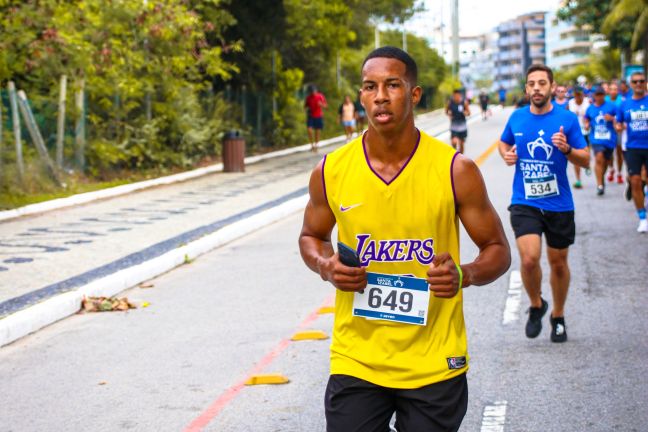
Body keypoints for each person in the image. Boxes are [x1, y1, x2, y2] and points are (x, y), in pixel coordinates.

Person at [299, 46, 511, 432]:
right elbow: (311, 237)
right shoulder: (331, 170)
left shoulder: (455, 170)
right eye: (370, 86)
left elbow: (497, 251)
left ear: (414, 95)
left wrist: (464, 274)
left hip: (434, 359)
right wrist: (325, 265)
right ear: (361, 96)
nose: (380, 95)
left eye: (392, 85)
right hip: (357, 358)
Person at [498, 64, 590, 343]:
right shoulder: (516, 118)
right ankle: (537, 305)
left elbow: (585, 159)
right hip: (524, 201)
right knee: (528, 259)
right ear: (526, 89)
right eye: (531, 84)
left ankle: (558, 315)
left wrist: (566, 149)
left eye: (541, 83)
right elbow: (503, 143)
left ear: (551, 87)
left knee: (559, 264)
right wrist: (507, 155)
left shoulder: (567, 120)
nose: (536, 88)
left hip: (559, 203)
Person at [616, 71, 648, 233]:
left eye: (641, 81)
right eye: (635, 82)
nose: (638, 84)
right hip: (633, 147)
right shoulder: (625, 104)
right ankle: (642, 218)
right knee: (635, 181)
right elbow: (618, 123)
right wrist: (618, 127)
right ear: (631, 85)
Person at [584, 86, 618, 195]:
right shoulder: (590, 108)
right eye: (597, 95)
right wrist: (587, 124)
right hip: (596, 138)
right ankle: (599, 185)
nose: (599, 97)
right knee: (599, 158)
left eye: (601, 95)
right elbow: (586, 118)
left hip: (609, 138)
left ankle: (601, 178)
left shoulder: (611, 107)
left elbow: (619, 119)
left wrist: (612, 119)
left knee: (606, 162)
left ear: (604, 95)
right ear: (594, 96)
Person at [568, 87, 590, 188]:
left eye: (579, 94)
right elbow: (566, 116)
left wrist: (587, 122)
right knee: (576, 155)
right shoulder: (570, 103)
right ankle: (578, 180)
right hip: (575, 133)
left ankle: (586, 163)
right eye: (576, 95)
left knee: (586, 154)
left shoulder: (587, 102)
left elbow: (591, 115)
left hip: (587, 132)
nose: (578, 97)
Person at [606, 82, 625, 184]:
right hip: (607, 130)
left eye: (615, 89)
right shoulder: (605, 100)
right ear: (608, 91)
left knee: (619, 152)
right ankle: (611, 168)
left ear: (618, 91)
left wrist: (614, 119)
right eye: (611, 89)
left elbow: (623, 115)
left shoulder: (622, 101)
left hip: (618, 129)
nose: (613, 91)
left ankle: (619, 173)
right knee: (609, 152)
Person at [446, 89, 471, 153]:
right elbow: (446, 111)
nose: (456, 97)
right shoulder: (450, 102)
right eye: (455, 96)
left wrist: (466, 113)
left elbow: (469, 113)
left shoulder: (464, 102)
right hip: (454, 125)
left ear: (460, 95)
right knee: (454, 141)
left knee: (461, 143)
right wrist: (449, 114)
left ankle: (461, 157)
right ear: (453, 95)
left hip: (462, 126)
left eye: (458, 95)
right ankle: (455, 155)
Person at [305, 85, 328, 151]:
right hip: (310, 116)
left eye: (313, 91)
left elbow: (326, 106)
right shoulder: (308, 98)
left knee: (317, 131)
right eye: (311, 92)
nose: (313, 93)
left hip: (318, 116)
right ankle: (312, 145)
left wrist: (321, 105)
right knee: (309, 130)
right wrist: (307, 109)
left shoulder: (320, 96)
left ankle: (316, 145)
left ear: (316, 90)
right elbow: (305, 106)